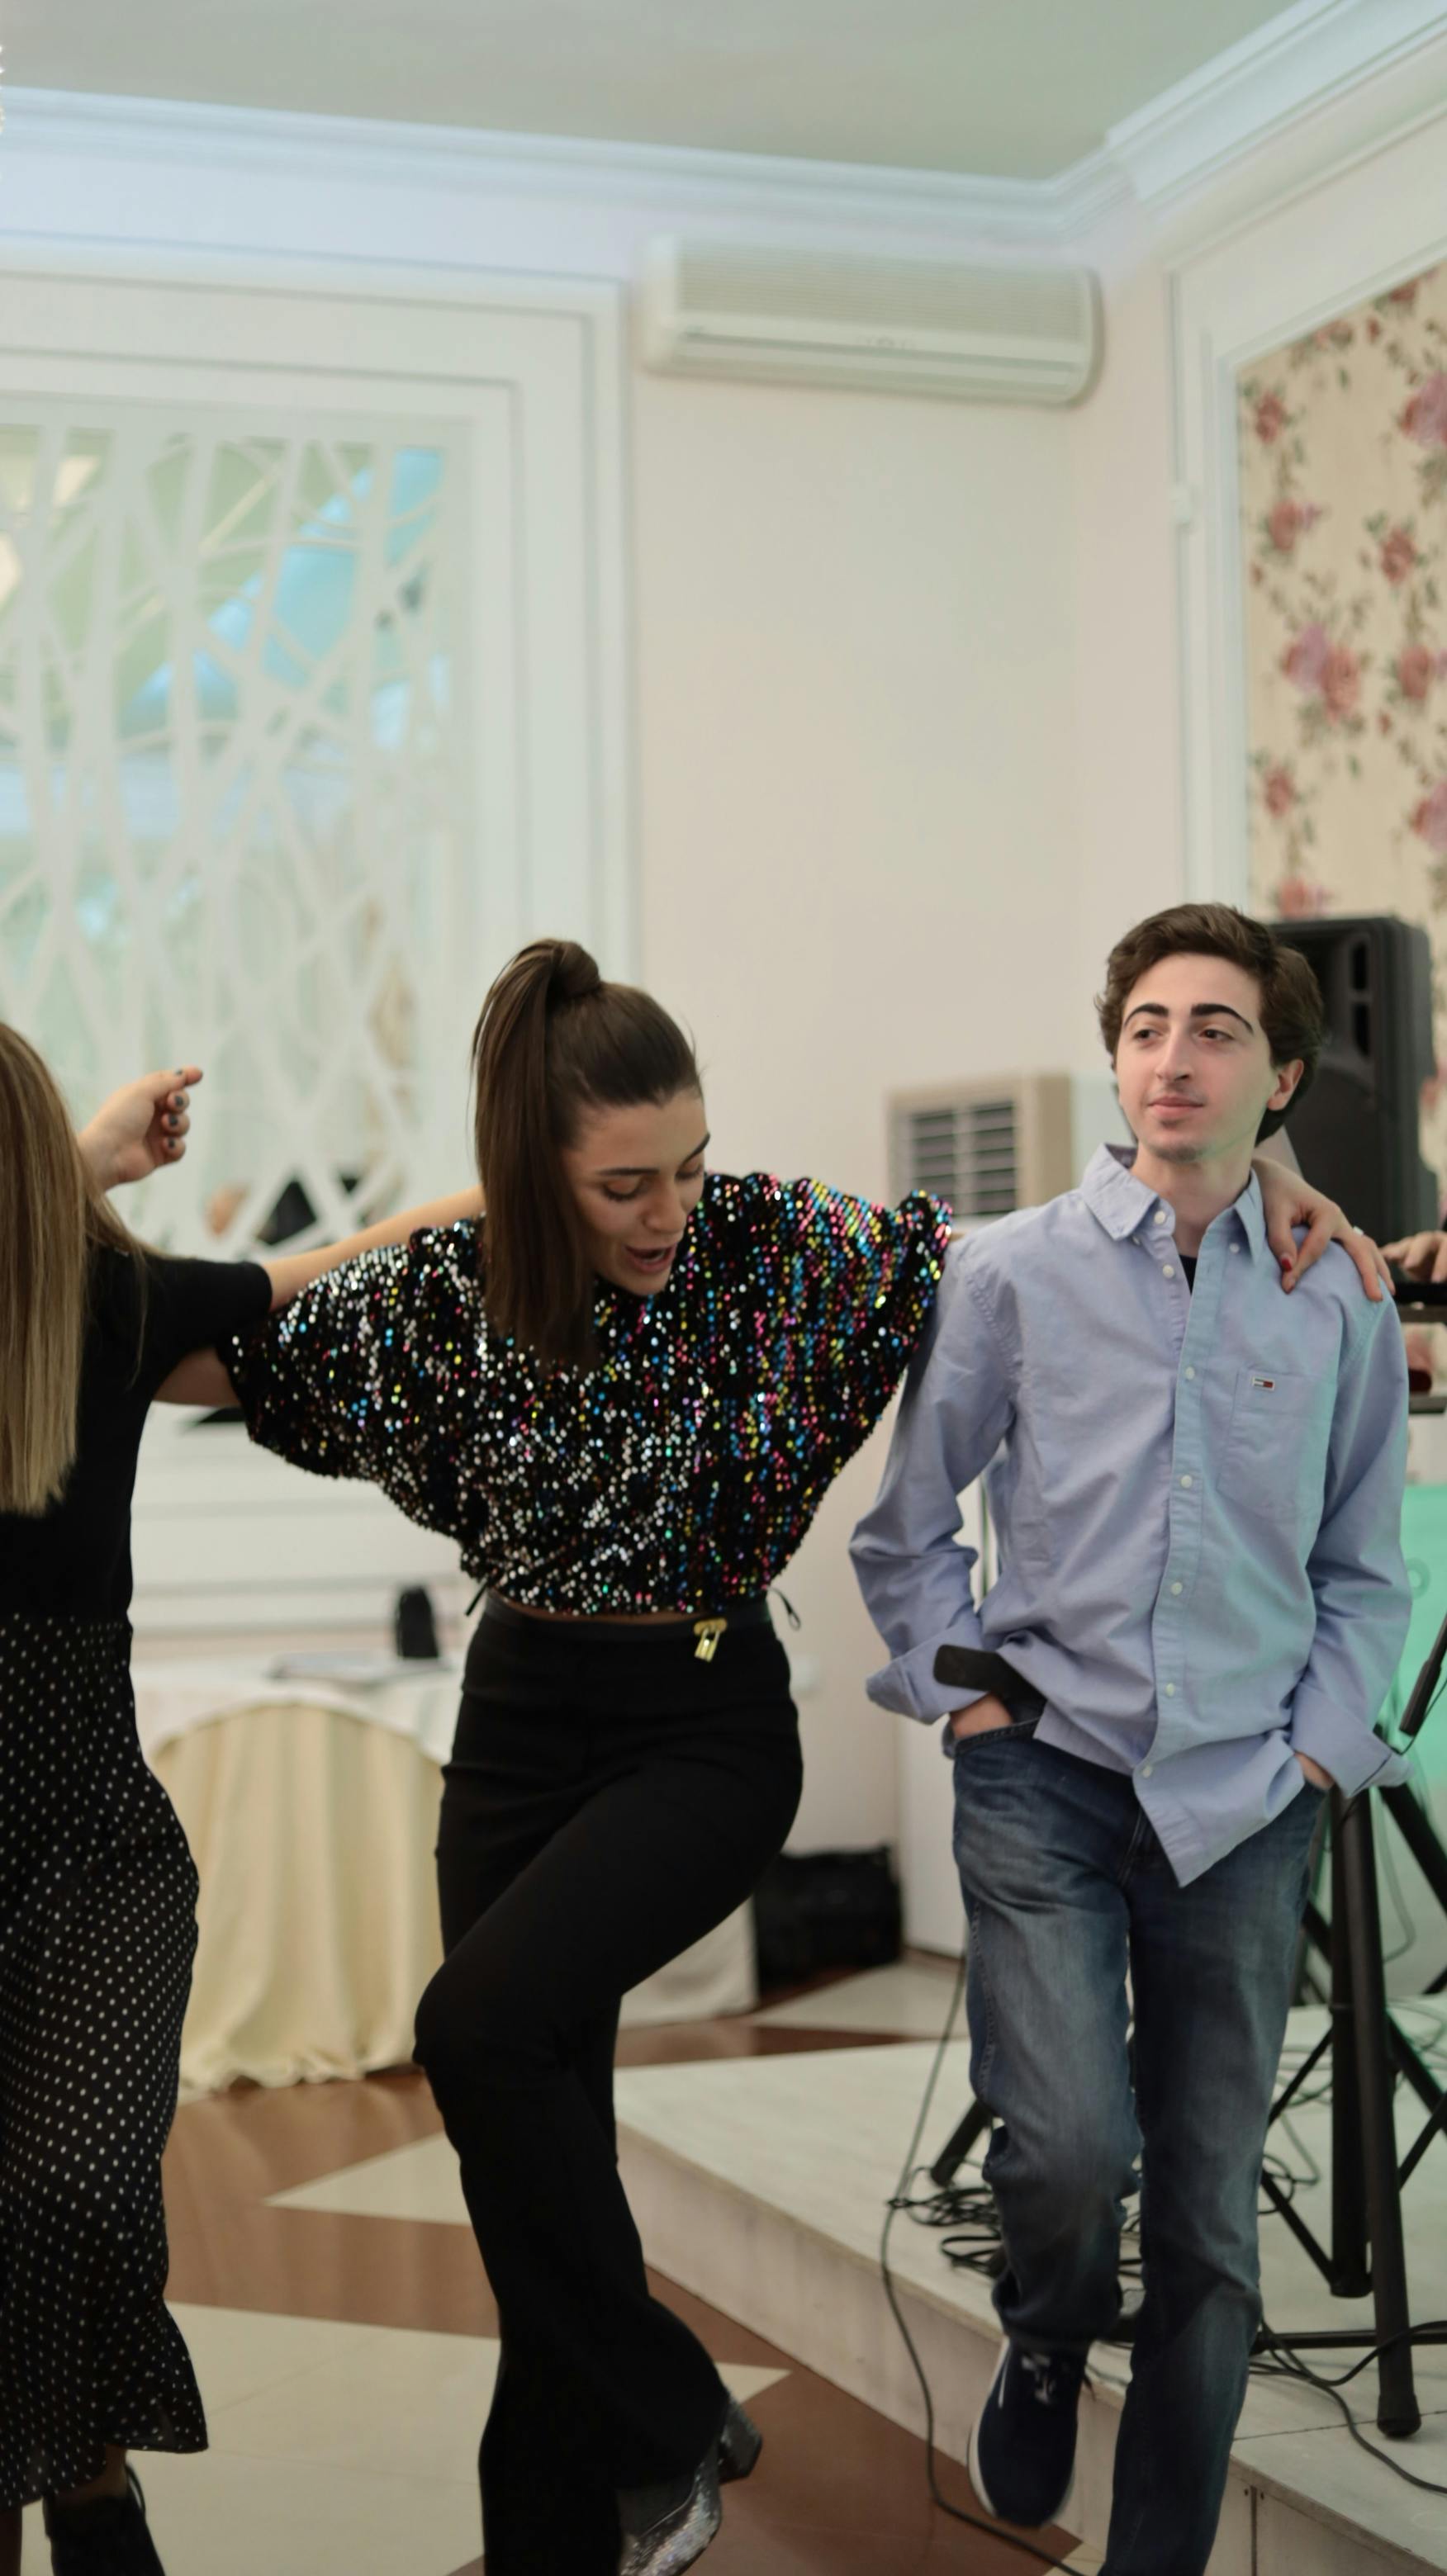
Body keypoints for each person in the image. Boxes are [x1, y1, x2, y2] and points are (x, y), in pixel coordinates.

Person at [155, 934, 1387, 2576]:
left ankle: (670, 2411)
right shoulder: (449, 1301)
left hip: (706, 1718)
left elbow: (1076, 1250)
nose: (667, 1212)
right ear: (532, 1180)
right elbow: (197, 1351)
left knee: (471, 2025)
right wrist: (455, 1212)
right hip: (517, 1721)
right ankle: (586, 2514)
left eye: (691, 1165)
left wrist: (1285, 1178)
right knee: (535, 2165)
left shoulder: (781, 1255)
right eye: (617, 1186)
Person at [851, 902, 1411, 2576]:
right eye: (1150, 1024)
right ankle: (1042, 2331)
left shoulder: (1338, 1303)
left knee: (1214, 2227)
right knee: (1073, 2156)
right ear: (1116, 1055)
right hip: (1046, 1771)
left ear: (1280, 1076)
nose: (1176, 1055)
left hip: (1249, 1796)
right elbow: (907, 1529)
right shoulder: (1009, 1273)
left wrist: (1316, 1752)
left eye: (1216, 1029)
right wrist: (964, 1691)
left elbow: (1363, 1572)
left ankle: (1159, 2555)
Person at [0, 1031, 481, 2576]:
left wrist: (492, 1200)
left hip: (86, 1843)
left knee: (74, 2183)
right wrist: (82, 1157)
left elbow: (318, 1273)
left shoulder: (108, 1306)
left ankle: (84, 2472)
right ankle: (73, 2486)